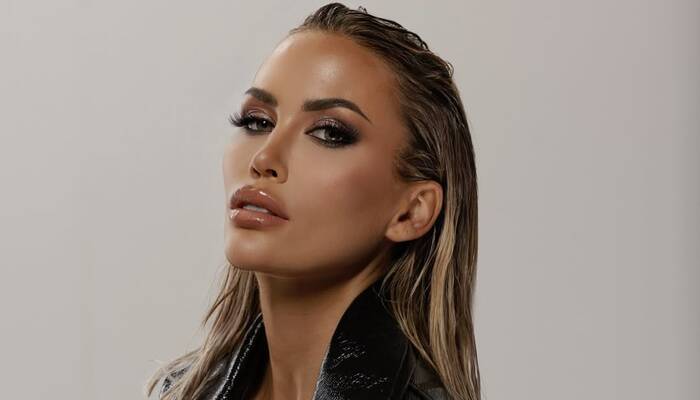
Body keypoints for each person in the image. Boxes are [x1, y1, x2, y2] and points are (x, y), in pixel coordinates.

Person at [144, 2, 480, 399]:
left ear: (412, 211)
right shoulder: (181, 392)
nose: (264, 158)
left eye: (329, 133)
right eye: (257, 121)